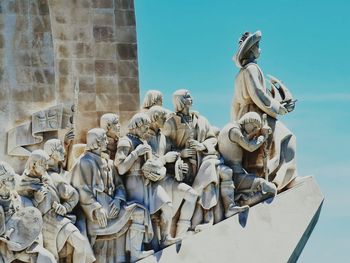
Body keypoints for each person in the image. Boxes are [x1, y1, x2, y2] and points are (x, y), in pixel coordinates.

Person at [163, 90, 247, 231]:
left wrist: (202, 146)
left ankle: (227, 208)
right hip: (186, 167)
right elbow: (165, 148)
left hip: (204, 159)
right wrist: (181, 153)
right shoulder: (171, 123)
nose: (191, 98)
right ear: (180, 101)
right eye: (187, 96)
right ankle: (205, 219)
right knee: (209, 175)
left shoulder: (201, 120)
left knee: (222, 172)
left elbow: (212, 138)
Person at [71, 128, 153, 262]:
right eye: (103, 138)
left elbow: (120, 186)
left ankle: (135, 254)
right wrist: (96, 208)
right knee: (138, 212)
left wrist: (117, 199)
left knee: (140, 211)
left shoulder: (108, 162)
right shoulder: (84, 162)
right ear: (96, 142)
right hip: (98, 214)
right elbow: (82, 189)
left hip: (112, 206)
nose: (107, 141)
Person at [232, 31, 297, 190]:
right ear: (251, 49)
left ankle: (273, 181)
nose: (260, 49)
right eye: (258, 46)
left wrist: (235, 121)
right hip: (257, 113)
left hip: (245, 114)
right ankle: (277, 182)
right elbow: (258, 94)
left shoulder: (241, 74)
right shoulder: (252, 68)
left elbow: (235, 103)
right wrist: (279, 108)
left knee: (259, 153)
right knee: (287, 139)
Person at [17, 150, 95, 263]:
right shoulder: (23, 185)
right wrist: (36, 200)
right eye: (43, 164)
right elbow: (22, 213)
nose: (46, 166)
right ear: (34, 165)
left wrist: (65, 207)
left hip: (59, 219)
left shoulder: (48, 177)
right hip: (41, 227)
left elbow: (72, 195)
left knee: (81, 242)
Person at [115, 113, 178, 247]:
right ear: (136, 126)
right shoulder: (125, 142)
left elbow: (150, 164)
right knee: (145, 215)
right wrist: (135, 153)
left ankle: (165, 237)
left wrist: (160, 167)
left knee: (167, 205)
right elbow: (120, 168)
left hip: (149, 182)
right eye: (144, 127)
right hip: (134, 182)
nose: (146, 130)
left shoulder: (144, 142)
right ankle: (142, 248)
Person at [146, 106, 198, 238]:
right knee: (167, 209)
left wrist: (182, 154)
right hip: (154, 184)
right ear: (155, 118)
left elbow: (173, 151)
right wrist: (164, 159)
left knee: (192, 195)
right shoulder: (145, 138)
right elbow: (148, 165)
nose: (166, 120)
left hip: (169, 179)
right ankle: (165, 237)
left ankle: (180, 235)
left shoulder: (164, 138)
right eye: (163, 117)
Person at [0, 161, 56, 263]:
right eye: (11, 179)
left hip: (24, 243)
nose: (14, 181)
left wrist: (36, 200)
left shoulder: (15, 197)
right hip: (4, 249)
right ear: (2, 183)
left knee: (49, 258)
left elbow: (26, 214)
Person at [218, 112, 277, 206]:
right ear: (249, 121)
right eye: (254, 128)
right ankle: (244, 203)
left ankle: (245, 201)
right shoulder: (234, 130)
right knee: (270, 188)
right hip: (236, 176)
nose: (253, 132)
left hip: (237, 174)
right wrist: (263, 136)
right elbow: (250, 146)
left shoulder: (231, 128)